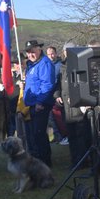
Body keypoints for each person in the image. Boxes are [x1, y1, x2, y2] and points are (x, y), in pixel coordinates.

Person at [22, 39, 56, 168]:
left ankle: (45, 162)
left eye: (33, 51)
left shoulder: (44, 64)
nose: (30, 54)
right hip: (31, 104)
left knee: (39, 133)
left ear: (39, 49)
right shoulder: (32, 64)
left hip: (40, 105)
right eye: (28, 52)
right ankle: (36, 160)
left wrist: (40, 102)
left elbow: (47, 84)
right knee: (33, 135)